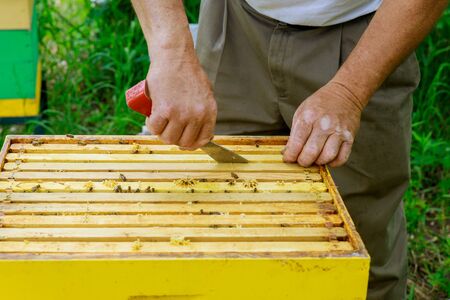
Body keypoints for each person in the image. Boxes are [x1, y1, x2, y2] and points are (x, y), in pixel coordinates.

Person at [130, 0, 447, 299]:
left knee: (357, 248)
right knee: (217, 217)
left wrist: (349, 92)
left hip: (365, 32)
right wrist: (173, 56)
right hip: (234, 19)